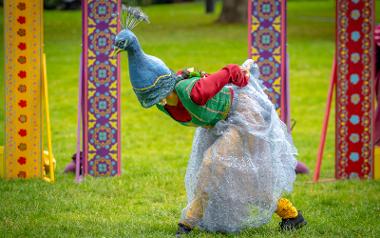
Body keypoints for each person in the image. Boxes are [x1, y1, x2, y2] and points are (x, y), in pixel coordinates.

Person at [112, 14, 307, 235]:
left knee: (211, 164)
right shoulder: (164, 104)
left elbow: (230, 71)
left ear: (167, 87)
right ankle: (291, 215)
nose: (160, 102)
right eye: (153, 100)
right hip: (217, 124)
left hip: (243, 116)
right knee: (237, 180)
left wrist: (243, 79)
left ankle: (187, 223)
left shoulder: (194, 91)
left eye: (160, 96)